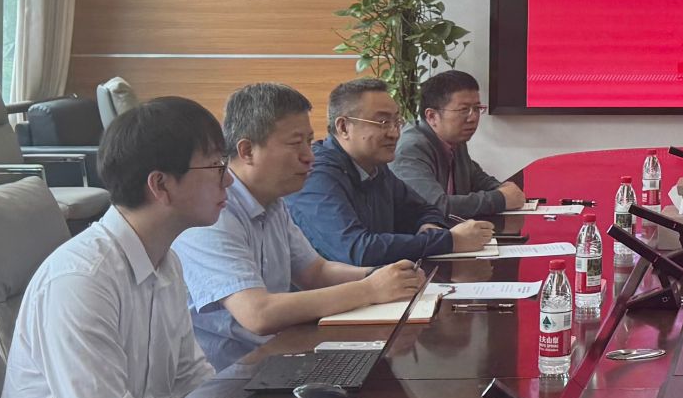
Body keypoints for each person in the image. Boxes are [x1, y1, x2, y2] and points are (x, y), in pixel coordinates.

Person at [0, 97, 232, 398]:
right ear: (161, 185)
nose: (228, 180)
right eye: (216, 166)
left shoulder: (166, 261)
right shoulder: (82, 281)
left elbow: (191, 379)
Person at [175, 82, 429, 368]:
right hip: (230, 375)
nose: (309, 156)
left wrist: (383, 275)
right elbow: (257, 313)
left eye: (309, 141)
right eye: (295, 143)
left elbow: (316, 272)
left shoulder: (273, 202)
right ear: (247, 151)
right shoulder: (214, 212)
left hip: (277, 358)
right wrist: (370, 289)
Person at [287, 78, 493, 264]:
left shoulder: (376, 166)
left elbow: (425, 210)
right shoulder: (315, 175)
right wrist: (448, 241)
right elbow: (358, 250)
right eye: (383, 122)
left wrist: (429, 226)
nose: (395, 133)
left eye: (396, 122)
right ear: (343, 127)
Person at [392, 69, 527, 218]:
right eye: (464, 110)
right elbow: (434, 206)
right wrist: (500, 199)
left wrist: (503, 188)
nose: (473, 117)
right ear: (432, 116)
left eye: (477, 109)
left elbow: (477, 179)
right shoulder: (410, 149)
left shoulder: (455, 141)